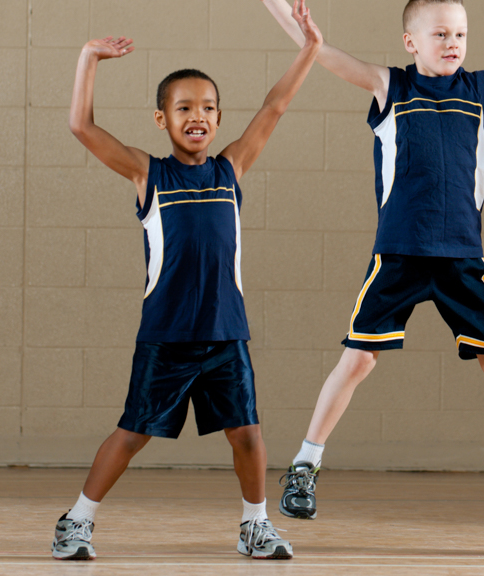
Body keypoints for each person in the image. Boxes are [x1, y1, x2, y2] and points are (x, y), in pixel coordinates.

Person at [260, 0, 484, 522]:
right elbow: (320, 50)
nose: (453, 43)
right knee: (358, 360)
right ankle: (304, 466)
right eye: (441, 34)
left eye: (461, 34)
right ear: (412, 42)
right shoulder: (390, 87)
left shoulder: (478, 90)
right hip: (400, 253)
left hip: (461, 258)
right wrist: (282, 11)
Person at [50, 0, 322, 561]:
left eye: (208, 107)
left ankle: (255, 525)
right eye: (183, 107)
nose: (196, 115)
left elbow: (275, 106)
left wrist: (312, 48)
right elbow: (80, 125)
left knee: (247, 434)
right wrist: (87, 57)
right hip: (168, 335)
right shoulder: (148, 172)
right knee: (132, 434)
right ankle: (76, 521)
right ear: (162, 119)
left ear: (219, 119)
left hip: (226, 333)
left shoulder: (231, 168)